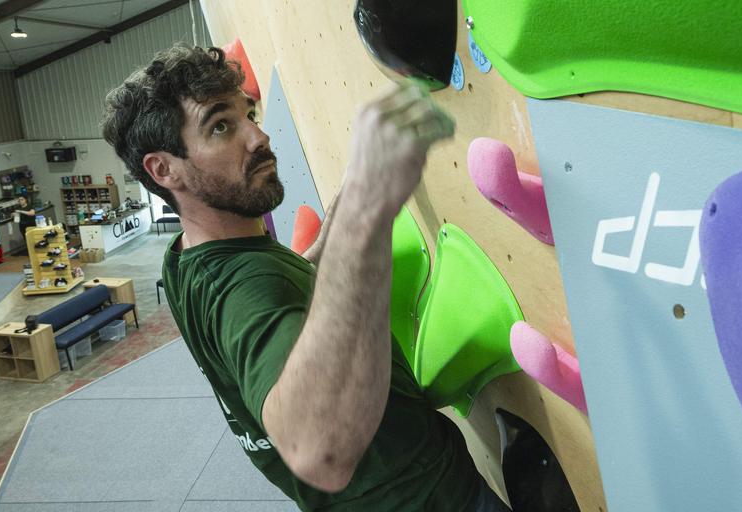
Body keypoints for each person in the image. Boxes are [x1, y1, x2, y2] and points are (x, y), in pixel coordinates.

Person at [103, 44, 510, 511]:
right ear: (163, 169)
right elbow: (317, 452)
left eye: (248, 114)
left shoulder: (186, 260)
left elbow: (295, 284)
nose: (258, 137)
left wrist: (349, 200)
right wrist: (361, 213)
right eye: (221, 127)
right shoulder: (244, 290)